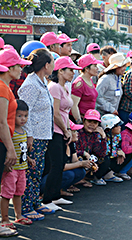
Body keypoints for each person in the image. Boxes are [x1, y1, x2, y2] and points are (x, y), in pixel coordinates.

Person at [18, 48, 56, 218]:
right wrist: (29, 136)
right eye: (52, 62)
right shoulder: (31, 84)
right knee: (31, 172)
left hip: (43, 134)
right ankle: (26, 207)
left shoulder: (41, 82)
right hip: (34, 136)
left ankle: (35, 202)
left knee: (38, 171)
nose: (54, 65)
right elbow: (25, 114)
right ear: (46, 65)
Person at [43, 56, 82, 210]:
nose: (73, 73)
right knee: (55, 164)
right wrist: (65, 130)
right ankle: (47, 199)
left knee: (59, 164)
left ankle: (55, 196)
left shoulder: (64, 87)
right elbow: (55, 113)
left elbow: (64, 113)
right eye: (70, 70)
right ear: (60, 70)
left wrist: (68, 130)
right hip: (54, 130)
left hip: (62, 130)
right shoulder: (54, 87)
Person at [0, 48, 28, 237]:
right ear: (9, 68)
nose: (21, 69)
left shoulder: (6, 87)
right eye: (18, 65)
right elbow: (2, 121)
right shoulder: (2, 87)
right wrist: (10, 149)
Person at [1, 100, 33, 230]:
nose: (23, 119)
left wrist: (29, 159)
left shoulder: (23, 132)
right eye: (19, 116)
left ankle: (18, 215)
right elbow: (6, 150)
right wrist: (5, 164)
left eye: (25, 116)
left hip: (22, 169)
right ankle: (4, 218)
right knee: (6, 194)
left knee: (19, 193)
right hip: (11, 169)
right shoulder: (10, 132)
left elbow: (22, 151)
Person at [40, 121, 91, 196]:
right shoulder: (57, 145)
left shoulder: (71, 144)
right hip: (46, 180)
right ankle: (49, 194)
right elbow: (60, 167)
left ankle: (61, 189)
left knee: (80, 171)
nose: (77, 133)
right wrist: (81, 163)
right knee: (69, 174)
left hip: (57, 175)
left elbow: (75, 161)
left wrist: (88, 165)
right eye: (74, 131)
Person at [75, 109, 110, 185]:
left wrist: (103, 137)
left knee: (104, 159)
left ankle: (89, 178)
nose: (92, 124)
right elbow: (72, 150)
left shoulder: (94, 135)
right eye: (89, 121)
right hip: (77, 158)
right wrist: (84, 153)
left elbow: (101, 153)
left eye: (95, 123)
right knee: (80, 158)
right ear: (84, 121)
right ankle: (78, 180)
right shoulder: (77, 132)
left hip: (88, 158)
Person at [71, 54, 103, 124]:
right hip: (82, 120)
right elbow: (74, 105)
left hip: (89, 120)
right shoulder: (79, 83)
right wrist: (79, 122)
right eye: (94, 66)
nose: (97, 69)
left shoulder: (89, 79)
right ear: (87, 69)